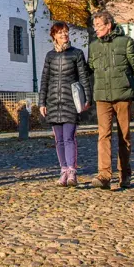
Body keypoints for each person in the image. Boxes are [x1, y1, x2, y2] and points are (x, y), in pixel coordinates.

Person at [87, 10, 134, 190]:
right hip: (101, 97)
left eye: (99, 26)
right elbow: (89, 70)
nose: (96, 29)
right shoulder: (94, 46)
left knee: (124, 136)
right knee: (103, 135)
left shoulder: (125, 43)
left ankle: (125, 174)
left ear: (109, 25)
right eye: (95, 26)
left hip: (123, 95)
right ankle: (104, 175)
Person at [38, 22, 92, 187]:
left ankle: (72, 171)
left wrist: (87, 98)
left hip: (70, 101)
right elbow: (45, 79)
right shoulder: (50, 56)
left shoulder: (77, 54)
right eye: (60, 32)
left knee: (69, 138)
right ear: (54, 35)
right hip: (53, 101)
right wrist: (41, 102)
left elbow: (83, 77)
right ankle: (63, 170)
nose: (64, 35)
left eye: (66, 32)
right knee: (59, 139)